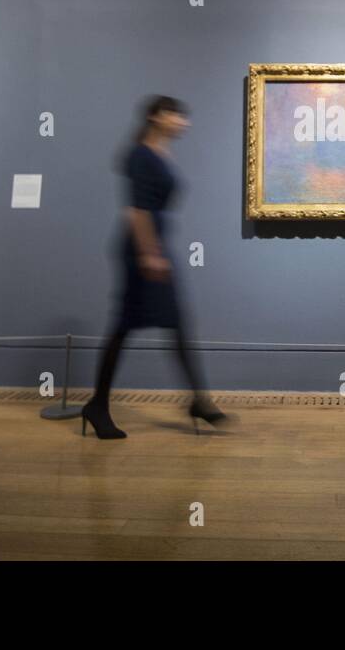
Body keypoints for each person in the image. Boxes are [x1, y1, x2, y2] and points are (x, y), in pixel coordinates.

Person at [82, 95, 229, 439]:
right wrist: (149, 253)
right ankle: (98, 405)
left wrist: (156, 250)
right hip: (141, 249)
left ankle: (199, 401)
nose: (183, 122)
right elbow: (137, 210)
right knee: (124, 326)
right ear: (155, 117)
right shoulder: (139, 155)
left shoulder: (159, 154)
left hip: (156, 247)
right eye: (176, 115)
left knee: (175, 323)